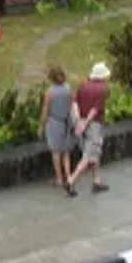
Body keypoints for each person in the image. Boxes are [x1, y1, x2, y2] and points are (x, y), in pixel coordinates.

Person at [67, 62, 112, 195]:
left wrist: (78, 121)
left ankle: (96, 180)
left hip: (81, 122)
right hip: (93, 125)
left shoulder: (83, 86)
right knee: (89, 154)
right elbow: (95, 110)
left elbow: (75, 103)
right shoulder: (103, 90)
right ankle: (71, 180)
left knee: (93, 153)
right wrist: (86, 122)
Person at [40, 67, 78, 197]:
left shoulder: (50, 92)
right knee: (66, 152)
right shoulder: (68, 89)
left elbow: (46, 111)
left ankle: (59, 178)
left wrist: (41, 126)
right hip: (66, 121)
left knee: (56, 152)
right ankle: (68, 176)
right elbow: (72, 104)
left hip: (54, 122)